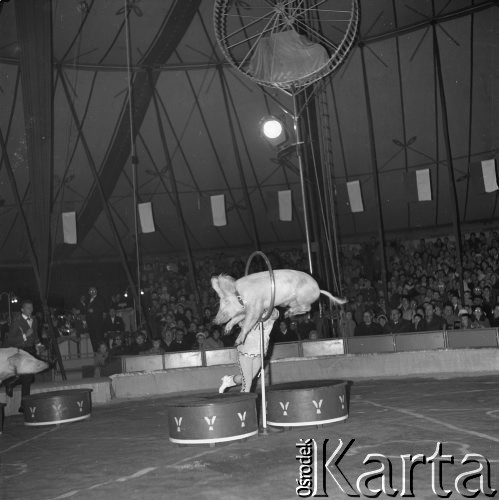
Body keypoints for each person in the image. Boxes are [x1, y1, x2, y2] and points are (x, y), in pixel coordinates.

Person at [219, 308, 279, 393]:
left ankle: (230, 380)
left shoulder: (272, 311)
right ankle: (244, 405)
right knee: (247, 384)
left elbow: (275, 315)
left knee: (248, 379)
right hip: (245, 351)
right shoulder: (248, 311)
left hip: (259, 352)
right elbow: (240, 321)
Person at [3, 299, 43, 411]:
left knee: (28, 379)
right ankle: (11, 384)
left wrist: (38, 344)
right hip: (20, 351)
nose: (31, 310)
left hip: (30, 350)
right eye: (28, 308)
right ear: (22, 309)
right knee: (28, 377)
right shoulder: (17, 321)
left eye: (32, 308)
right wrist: (25, 335)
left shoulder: (34, 320)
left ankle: (22, 404)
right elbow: (9, 340)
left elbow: (34, 334)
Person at [85, 287, 106, 352]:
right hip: (90, 323)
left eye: (93, 290)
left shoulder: (100, 299)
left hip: (98, 323)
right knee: (93, 339)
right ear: (89, 292)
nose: (92, 292)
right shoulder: (88, 300)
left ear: (96, 291)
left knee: (99, 338)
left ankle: (102, 353)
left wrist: (94, 310)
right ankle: (96, 353)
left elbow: (103, 308)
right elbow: (86, 310)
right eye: (90, 291)